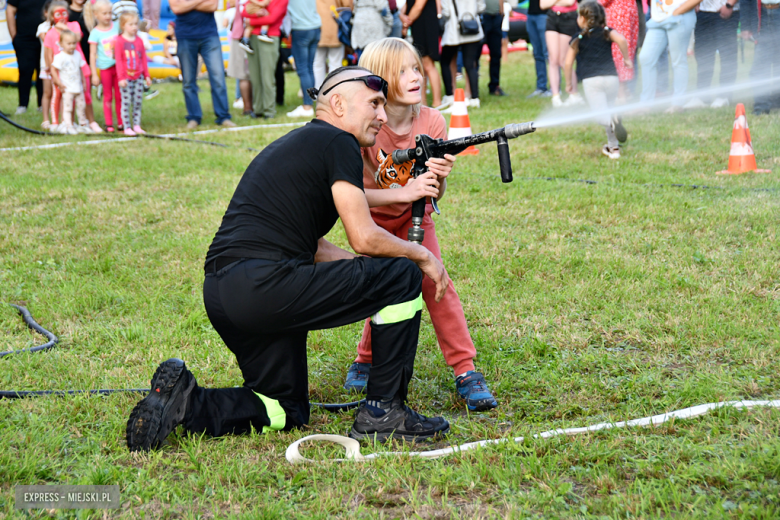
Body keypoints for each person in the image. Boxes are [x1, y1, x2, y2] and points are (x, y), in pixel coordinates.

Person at [125, 66, 452, 452]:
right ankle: (384, 413)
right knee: (402, 275)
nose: (382, 116)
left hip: (223, 293)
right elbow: (364, 237)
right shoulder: (338, 142)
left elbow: (313, 246)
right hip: (266, 285)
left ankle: (186, 404)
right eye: (375, 104)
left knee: (285, 408)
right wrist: (421, 255)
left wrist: (365, 275)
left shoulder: (300, 144)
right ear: (338, 104)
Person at [343, 38, 499, 412]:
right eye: (402, 71)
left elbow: (434, 195)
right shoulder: (365, 128)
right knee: (383, 290)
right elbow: (353, 195)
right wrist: (403, 191)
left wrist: (438, 179)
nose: (415, 77)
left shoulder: (433, 121)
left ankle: (465, 369)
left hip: (418, 219)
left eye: (416, 68)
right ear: (378, 82)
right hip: (373, 224)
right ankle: (366, 359)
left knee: (436, 285)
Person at [564, 1, 631, 159]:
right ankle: (613, 149)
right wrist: (626, 59)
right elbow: (622, 40)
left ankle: (612, 121)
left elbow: (567, 63)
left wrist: (568, 84)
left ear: (583, 19)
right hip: (611, 79)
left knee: (600, 115)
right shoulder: (607, 31)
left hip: (592, 82)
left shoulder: (578, 38)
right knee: (608, 109)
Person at [169, 0, 236, 129]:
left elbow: (213, 5)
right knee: (188, 80)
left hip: (209, 35)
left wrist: (187, 5)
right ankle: (194, 117)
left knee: (218, 76)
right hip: (185, 36)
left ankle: (223, 116)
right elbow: (176, 8)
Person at [44, 1, 100, 132]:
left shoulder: (74, 25)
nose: (62, 16)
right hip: (62, 71)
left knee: (84, 95)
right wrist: (50, 69)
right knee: (62, 96)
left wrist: (64, 28)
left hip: (78, 66)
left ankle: (89, 122)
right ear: (52, 16)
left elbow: (77, 37)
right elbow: (48, 52)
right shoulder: (50, 33)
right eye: (58, 14)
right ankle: (63, 122)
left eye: (64, 13)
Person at [638, 0, 702, 111]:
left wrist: (679, 10)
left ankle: (678, 103)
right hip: (658, 18)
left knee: (678, 60)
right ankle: (645, 104)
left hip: (680, 17)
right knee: (646, 57)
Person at [685, 0, 740, 109]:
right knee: (703, 55)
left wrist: (729, 4)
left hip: (726, 9)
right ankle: (702, 97)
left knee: (727, 55)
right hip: (704, 12)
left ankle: (724, 96)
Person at [243, 0, 289, 118]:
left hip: (270, 37)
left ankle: (269, 110)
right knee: (255, 76)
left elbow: (272, 19)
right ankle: (258, 109)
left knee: (267, 76)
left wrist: (251, 21)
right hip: (252, 38)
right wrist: (256, 15)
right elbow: (244, 12)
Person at [440, 0, 485, 107]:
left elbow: (445, 12)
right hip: (472, 27)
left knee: (445, 62)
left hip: (453, 30)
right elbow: (481, 7)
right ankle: (474, 97)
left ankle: (450, 95)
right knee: (470, 65)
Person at [114, 11, 152, 135]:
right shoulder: (119, 41)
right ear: (123, 25)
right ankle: (127, 126)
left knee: (137, 101)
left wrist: (147, 75)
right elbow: (119, 61)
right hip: (126, 77)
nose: (134, 27)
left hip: (138, 76)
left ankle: (136, 124)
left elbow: (143, 59)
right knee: (126, 102)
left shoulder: (139, 41)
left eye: (136, 24)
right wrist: (121, 78)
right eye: (131, 24)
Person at [8, 0, 48, 115]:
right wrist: (14, 36)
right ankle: (22, 105)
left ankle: (42, 105)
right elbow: (10, 11)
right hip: (24, 38)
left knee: (44, 70)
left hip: (45, 38)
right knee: (25, 70)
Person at [88, 0, 123, 132]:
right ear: (96, 14)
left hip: (118, 68)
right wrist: (94, 74)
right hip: (105, 68)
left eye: (110, 13)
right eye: (104, 13)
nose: (108, 16)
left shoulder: (117, 27)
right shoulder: (95, 33)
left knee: (119, 95)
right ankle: (109, 123)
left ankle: (121, 121)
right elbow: (92, 55)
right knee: (107, 96)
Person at [401, 0, 443, 107]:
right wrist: (401, 15)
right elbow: (407, 4)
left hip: (426, 26)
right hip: (417, 26)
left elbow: (419, 6)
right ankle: (422, 103)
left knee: (428, 65)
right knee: (420, 67)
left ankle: (437, 102)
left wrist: (406, 24)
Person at [542, 0, 584, 107]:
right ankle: (555, 96)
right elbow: (543, 5)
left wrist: (553, 2)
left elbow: (569, 2)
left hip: (568, 18)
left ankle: (574, 94)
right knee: (553, 59)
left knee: (564, 60)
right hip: (552, 17)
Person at [742, 0, 780, 115]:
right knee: (760, 65)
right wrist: (745, 25)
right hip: (761, 15)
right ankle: (761, 105)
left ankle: (776, 101)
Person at [286, 0, 322, 117]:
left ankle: (307, 106)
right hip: (315, 27)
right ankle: (311, 101)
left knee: (303, 69)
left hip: (301, 29)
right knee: (309, 68)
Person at [51, 29, 89, 134]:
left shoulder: (77, 54)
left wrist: (84, 82)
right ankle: (68, 125)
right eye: (69, 44)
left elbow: (80, 68)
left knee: (81, 106)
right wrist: (58, 82)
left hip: (78, 86)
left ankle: (83, 124)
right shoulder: (60, 56)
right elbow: (53, 69)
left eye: (74, 43)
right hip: (67, 87)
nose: (72, 46)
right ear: (61, 44)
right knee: (68, 107)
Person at [600, 0, 638, 101]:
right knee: (626, 49)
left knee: (617, 51)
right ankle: (625, 90)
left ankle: (621, 94)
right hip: (628, 10)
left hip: (618, 13)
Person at [314, 0, 352, 89]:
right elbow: (348, 4)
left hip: (317, 28)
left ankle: (317, 93)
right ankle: (333, 91)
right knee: (335, 63)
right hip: (335, 29)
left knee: (317, 64)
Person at [526, 0, 552, 97]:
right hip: (531, 14)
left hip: (544, 15)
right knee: (537, 54)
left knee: (548, 54)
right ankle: (541, 87)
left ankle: (554, 88)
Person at [482, 0, 507, 96]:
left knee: (496, 54)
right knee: (475, 54)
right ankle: (472, 88)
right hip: (483, 16)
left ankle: (495, 85)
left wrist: (501, 12)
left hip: (496, 16)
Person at [37, 3, 54, 130]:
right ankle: (45, 120)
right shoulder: (42, 27)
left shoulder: (64, 27)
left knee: (59, 94)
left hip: (60, 66)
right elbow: (47, 39)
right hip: (46, 66)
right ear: (45, 13)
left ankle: (58, 120)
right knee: (47, 93)